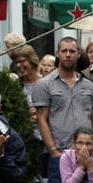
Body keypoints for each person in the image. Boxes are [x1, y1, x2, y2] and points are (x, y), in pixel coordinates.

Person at [33, 37, 93, 183]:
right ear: (57, 53)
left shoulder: (89, 85)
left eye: (72, 51)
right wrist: (53, 151)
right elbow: (41, 119)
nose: (68, 54)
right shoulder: (44, 84)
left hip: (88, 153)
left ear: (78, 54)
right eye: (64, 51)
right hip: (60, 153)